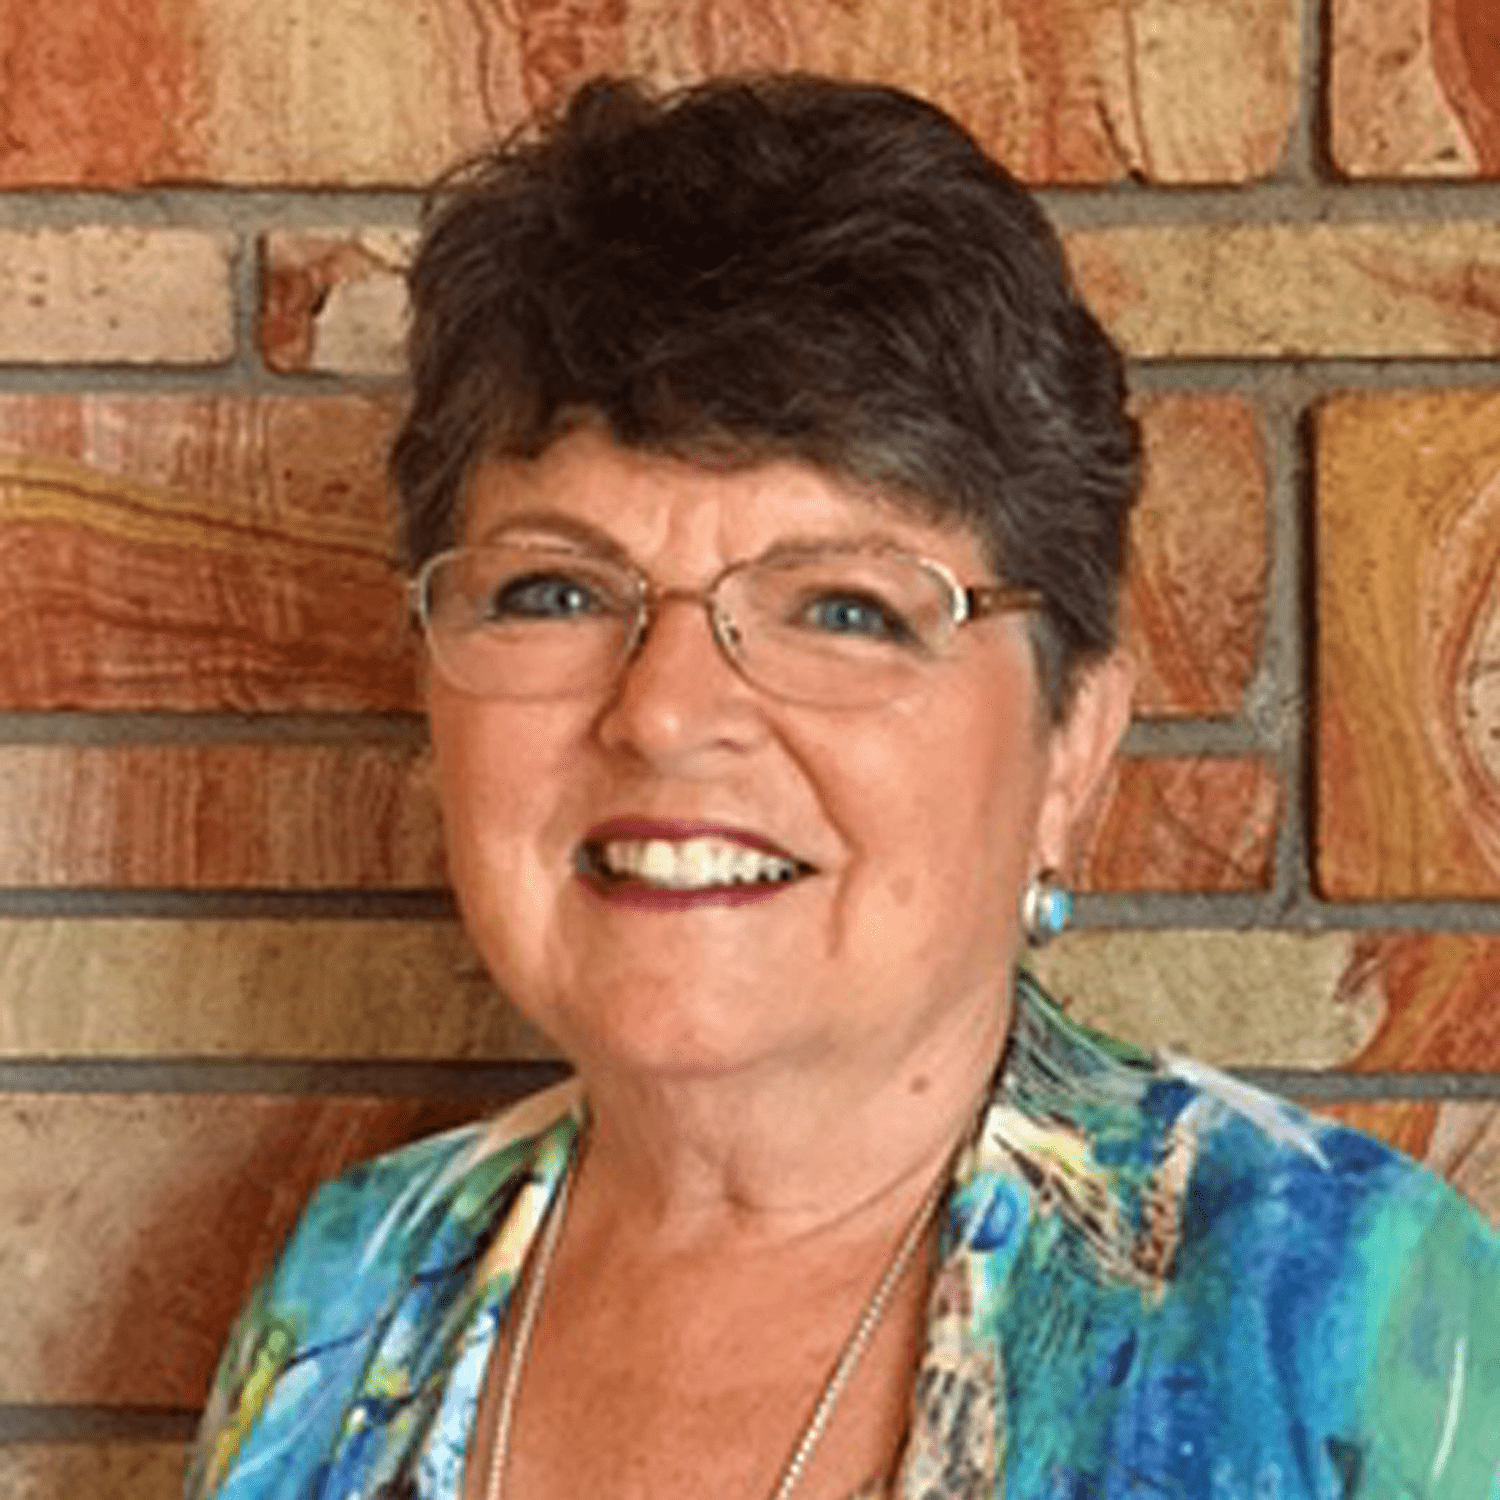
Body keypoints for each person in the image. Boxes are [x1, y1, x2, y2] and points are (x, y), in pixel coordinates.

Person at [187, 74, 1499, 1500]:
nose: (666, 712)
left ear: (1071, 744)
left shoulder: (1338, 1316)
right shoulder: (354, 1291)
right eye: (555, 590)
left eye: (843, 609)